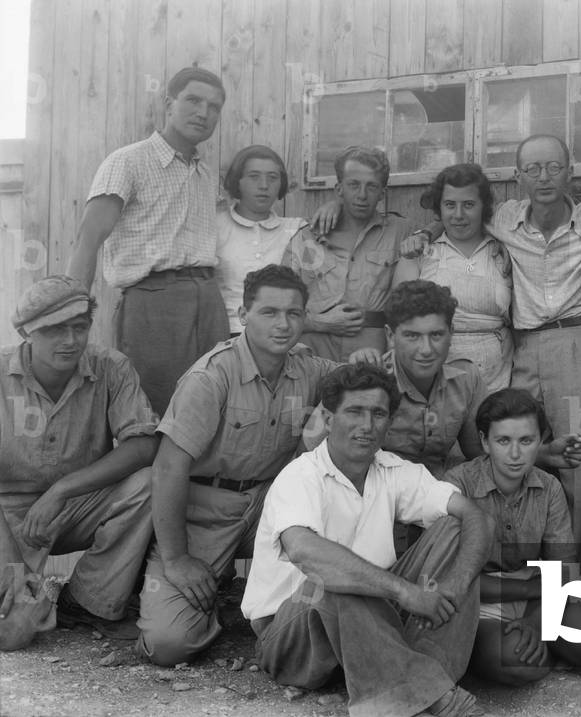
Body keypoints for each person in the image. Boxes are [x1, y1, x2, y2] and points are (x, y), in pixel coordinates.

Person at [369, 134, 581, 556]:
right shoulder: (503, 220)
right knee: (518, 450)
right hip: (524, 350)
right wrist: (427, 229)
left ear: (569, 172)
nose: (544, 177)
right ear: (518, 178)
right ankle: (511, 561)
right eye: (532, 169)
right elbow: (459, 212)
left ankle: (578, 571)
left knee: (578, 459)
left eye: (553, 167)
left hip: (578, 344)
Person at [241, 363, 492, 717]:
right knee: (332, 581)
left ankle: (423, 683)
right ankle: (437, 699)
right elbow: (305, 551)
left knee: (455, 529)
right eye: (355, 412)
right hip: (291, 639)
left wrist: (455, 582)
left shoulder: (391, 470)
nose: (367, 425)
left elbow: (475, 516)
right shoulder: (300, 476)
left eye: (378, 414)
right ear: (328, 419)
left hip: (370, 629)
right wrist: (406, 592)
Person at [137, 265, 338, 666]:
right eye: (269, 312)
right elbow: (167, 470)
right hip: (208, 511)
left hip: (268, 504)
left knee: (337, 497)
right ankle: (182, 586)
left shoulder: (308, 369)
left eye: (294, 314)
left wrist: (368, 372)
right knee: (169, 643)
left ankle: (316, 610)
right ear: (243, 315)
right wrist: (178, 560)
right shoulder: (211, 377)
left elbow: (359, 383)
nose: (283, 324)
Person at [0, 276, 157, 649]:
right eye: (55, 330)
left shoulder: (111, 367)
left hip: (77, 504)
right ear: (27, 331)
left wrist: (63, 489)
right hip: (5, 520)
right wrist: (11, 566)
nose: (70, 341)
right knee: (14, 634)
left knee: (151, 482)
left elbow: (144, 445)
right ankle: (28, 599)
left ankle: (86, 602)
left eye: (79, 327)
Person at [68, 67, 229, 415]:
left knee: (210, 399)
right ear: (169, 104)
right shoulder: (128, 161)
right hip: (154, 301)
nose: (204, 113)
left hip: (207, 297)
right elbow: (88, 237)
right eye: (193, 101)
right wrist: (72, 310)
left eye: (214, 107)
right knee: (153, 408)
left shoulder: (206, 172)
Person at [308, 280, 581, 481]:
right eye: (412, 336)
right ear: (391, 336)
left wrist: (545, 454)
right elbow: (309, 450)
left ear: (451, 332)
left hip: (439, 494)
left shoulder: (465, 379)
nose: (426, 349)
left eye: (436, 335)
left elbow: (480, 452)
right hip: (374, 497)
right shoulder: (364, 379)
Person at [444, 388, 581, 687]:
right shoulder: (457, 484)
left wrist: (534, 621)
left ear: (540, 441)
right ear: (485, 441)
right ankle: (493, 652)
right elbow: (456, 579)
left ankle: (543, 641)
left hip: (539, 597)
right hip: (480, 602)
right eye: (503, 441)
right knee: (517, 662)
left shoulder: (548, 487)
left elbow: (563, 569)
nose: (515, 454)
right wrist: (532, 590)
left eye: (526, 441)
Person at [282, 146, 414, 362]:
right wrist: (320, 322)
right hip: (312, 352)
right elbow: (282, 305)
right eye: (353, 185)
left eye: (371, 187)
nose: (362, 195)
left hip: (372, 354)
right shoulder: (307, 239)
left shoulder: (399, 232)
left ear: (382, 193)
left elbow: (441, 226)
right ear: (339, 189)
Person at [393, 163, 513, 392]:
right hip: (435, 377)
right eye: (450, 205)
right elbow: (400, 320)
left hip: (497, 377)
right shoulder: (418, 252)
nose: (458, 215)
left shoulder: (505, 251)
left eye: (468, 205)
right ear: (439, 208)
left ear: (483, 207)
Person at [216, 145, 307, 336]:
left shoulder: (297, 229)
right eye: (254, 176)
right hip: (228, 333)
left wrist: (335, 207)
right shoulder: (216, 227)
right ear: (237, 181)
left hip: (282, 334)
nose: (264, 185)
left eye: (273, 178)